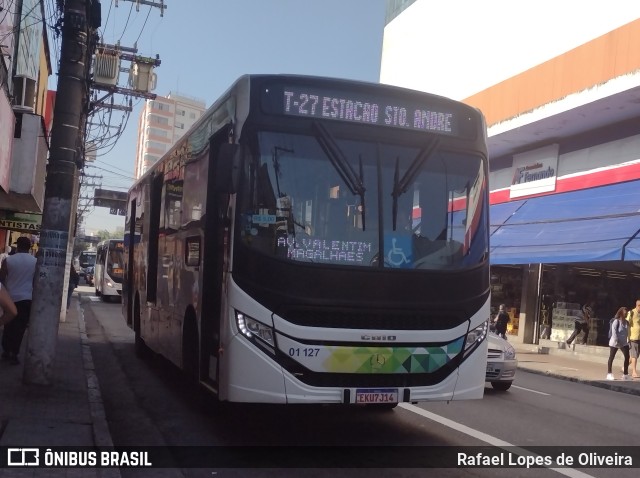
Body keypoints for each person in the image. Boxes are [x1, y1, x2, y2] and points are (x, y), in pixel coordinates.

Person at [0, 236, 36, 365]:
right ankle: (15, 353)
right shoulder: (35, 261)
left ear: (18, 246)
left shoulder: (9, 260)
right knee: (20, 328)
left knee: (8, 325)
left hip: (10, 297)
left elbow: (2, 278)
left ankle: (6, 350)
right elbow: (36, 281)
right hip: (26, 298)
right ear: (29, 247)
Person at [607, 307, 631, 381]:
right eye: (625, 313)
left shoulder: (626, 322)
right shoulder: (616, 322)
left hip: (624, 343)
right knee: (611, 357)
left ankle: (625, 374)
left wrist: (628, 340)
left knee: (627, 357)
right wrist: (617, 341)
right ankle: (609, 373)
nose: (626, 314)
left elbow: (627, 332)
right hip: (615, 342)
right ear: (621, 313)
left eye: (626, 313)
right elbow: (614, 333)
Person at [626, 300, 640, 378]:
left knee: (635, 355)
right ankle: (634, 372)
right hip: (632, 337)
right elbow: (626, 323)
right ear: (637, 305)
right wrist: (627, 337)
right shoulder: (631, 312)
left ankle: (624, 366)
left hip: (639, 337)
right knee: (634, 355)